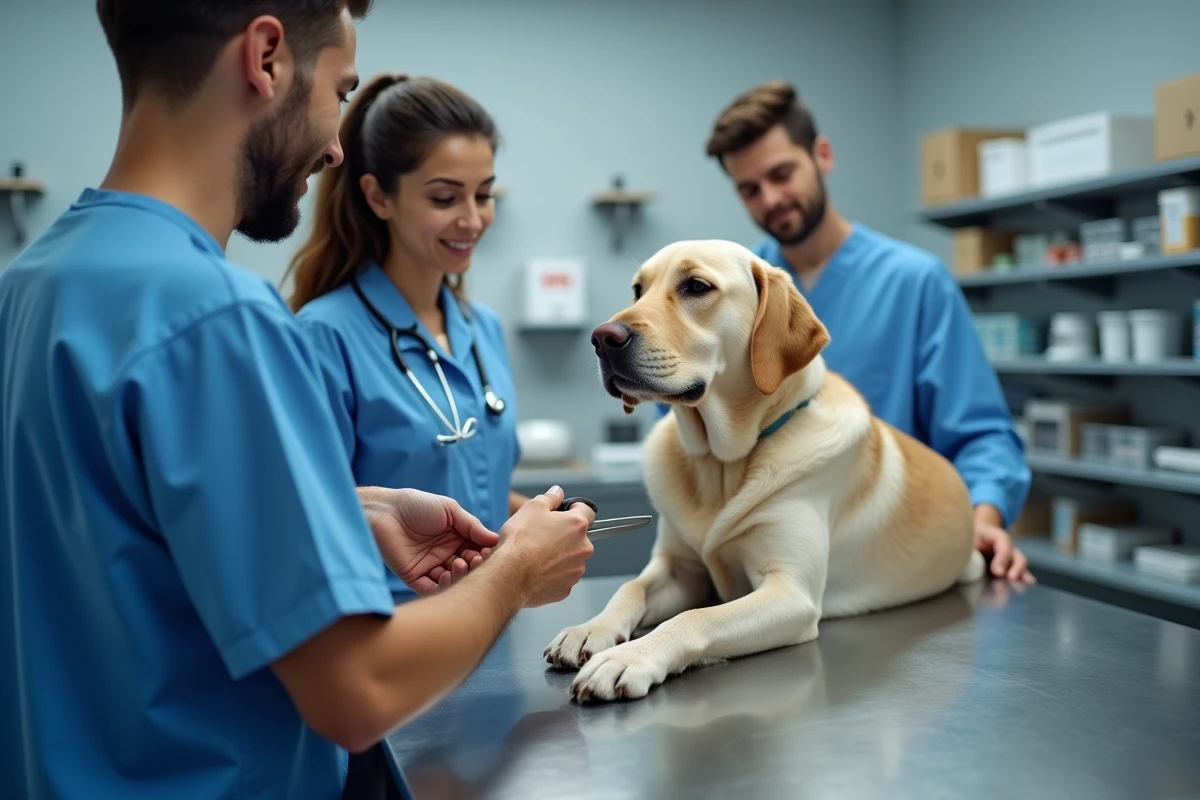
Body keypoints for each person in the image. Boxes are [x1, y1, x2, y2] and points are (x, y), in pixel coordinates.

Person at [0, 3, 595, 798]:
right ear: (267, 57)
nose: (337, 144)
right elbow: (359, 693)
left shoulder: (35, 284)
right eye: (340, 92)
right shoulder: (218, 319)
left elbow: (110, 538)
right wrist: (518, 570)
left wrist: (346, 512)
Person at [697, 81, 1035, 583]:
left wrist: (980, 521)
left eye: (781, 174)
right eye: (750, 189)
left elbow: (981, 433)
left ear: (823, 155)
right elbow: (694, 420)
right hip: (765, 565)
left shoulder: (915, 282)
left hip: (888, 560)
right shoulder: (728, 291)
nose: (771, 199)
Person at [285, 73, 526, 602]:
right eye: (445, 197)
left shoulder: (480, 327)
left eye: (483, 195)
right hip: (383, 633)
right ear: (378, 197)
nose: (471, 219)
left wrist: (534, 519)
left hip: (488, 620)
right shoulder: (324, 335)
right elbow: (301, 513)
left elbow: (472, 483)